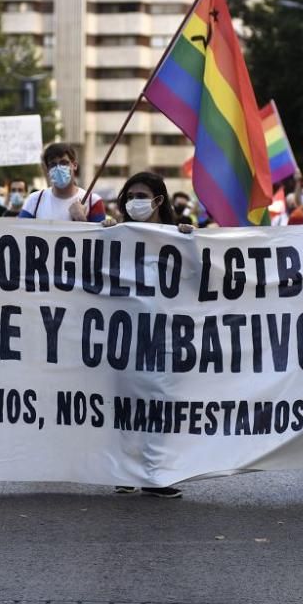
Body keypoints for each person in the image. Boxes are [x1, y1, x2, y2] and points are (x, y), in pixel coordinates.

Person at [104, 172, 192, 498]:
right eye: (130, 195)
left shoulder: (176, 236)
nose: (134, 201)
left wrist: (192, 242)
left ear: (158, 200)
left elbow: (201, 277)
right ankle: (126, 471)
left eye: (141, 195)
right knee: (126, 403)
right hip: (123, 335)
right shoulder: (117, 234)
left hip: (165, 335)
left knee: (159, 403)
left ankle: (154, 475)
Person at [18, 143, 105, 222]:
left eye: (64, 163)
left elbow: (101, 237)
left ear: (74, 165)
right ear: (48, 170)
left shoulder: (93, 201)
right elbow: (19, 233)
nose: (59, 168)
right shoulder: (34, 201)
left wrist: (81, 219)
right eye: (53, 164)